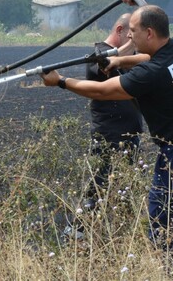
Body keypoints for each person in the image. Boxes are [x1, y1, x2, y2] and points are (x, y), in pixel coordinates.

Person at [42, 0, 173, 254]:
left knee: (160, 225)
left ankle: (171, 272)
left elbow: (103, 90)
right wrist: (119, 60)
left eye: (134, 32)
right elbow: (152, 55)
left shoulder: (150, 75)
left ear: (150, 33)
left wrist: (61, 81)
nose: (130, 37)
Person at [64, 13, 144, 238]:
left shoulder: (127, 56)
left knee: (125, 189)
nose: (132, 38)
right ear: (119, 30)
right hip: (109, 135)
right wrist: (132, 42)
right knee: (98, 187)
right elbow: (106, 65)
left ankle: (121, 237)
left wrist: (141, 6)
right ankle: (74, 232)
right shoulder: (97, 55)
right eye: (129, 33)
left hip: (129, 135)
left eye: (134, 34)